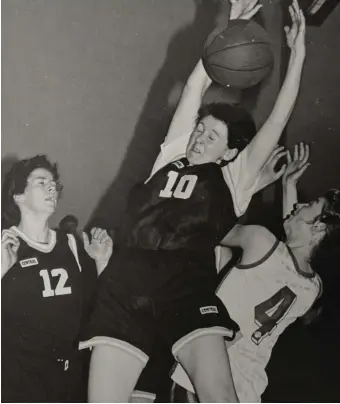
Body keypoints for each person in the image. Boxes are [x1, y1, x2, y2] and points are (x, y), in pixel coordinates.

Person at [80, 0, 307, 402]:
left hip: (186, 288)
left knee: (219, 396)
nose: (200, 138)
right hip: (127, 284)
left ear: (230, 152)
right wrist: (228, 28)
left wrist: (299, 55)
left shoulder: (234, 178)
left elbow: (276, 120)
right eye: (199, 129)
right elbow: (193, 88)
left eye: (212, 136)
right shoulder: (170, 158)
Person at [172, 142, 340, 402]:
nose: (302, 204)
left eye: (312, 204)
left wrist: (253, 182)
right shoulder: (312, 288)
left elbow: (210, 227)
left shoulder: (260, 241)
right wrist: (288, 187)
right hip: (248, 386)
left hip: (203, 376)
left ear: (319, 228)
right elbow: (289, 254)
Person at [1, 155, 113, 403]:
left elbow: (93, 308)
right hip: (19, 379)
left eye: (54, 184)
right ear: (18, 195)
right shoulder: (6, 244)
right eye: (42, 182)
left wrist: (101, 262)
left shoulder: (71, 243)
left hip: (67, 376)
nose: (52, 187)